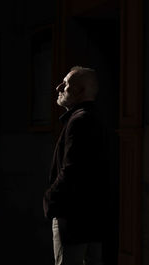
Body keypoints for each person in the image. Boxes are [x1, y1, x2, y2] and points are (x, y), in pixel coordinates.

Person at [43, 66, 108, 265]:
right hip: (93, 217)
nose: (58, 87)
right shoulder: (94, 119)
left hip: (72, 217)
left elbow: (72, 170)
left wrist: (50, 198)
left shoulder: (78, 121)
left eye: (66, 84)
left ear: (80, 92)